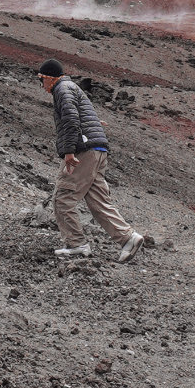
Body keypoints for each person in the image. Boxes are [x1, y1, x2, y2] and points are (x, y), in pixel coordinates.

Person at [37, 60, 145, 261]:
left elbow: (70, 118)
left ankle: (76, 244)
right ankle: (128, 238)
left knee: (63, 197)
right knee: (98, 200)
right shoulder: (73, 88)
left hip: (83, 151)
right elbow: (84, 116)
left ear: (50, 77)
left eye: (41, 79)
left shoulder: (62, 89)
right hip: (98, 150)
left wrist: (69, 152)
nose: (41, 85)